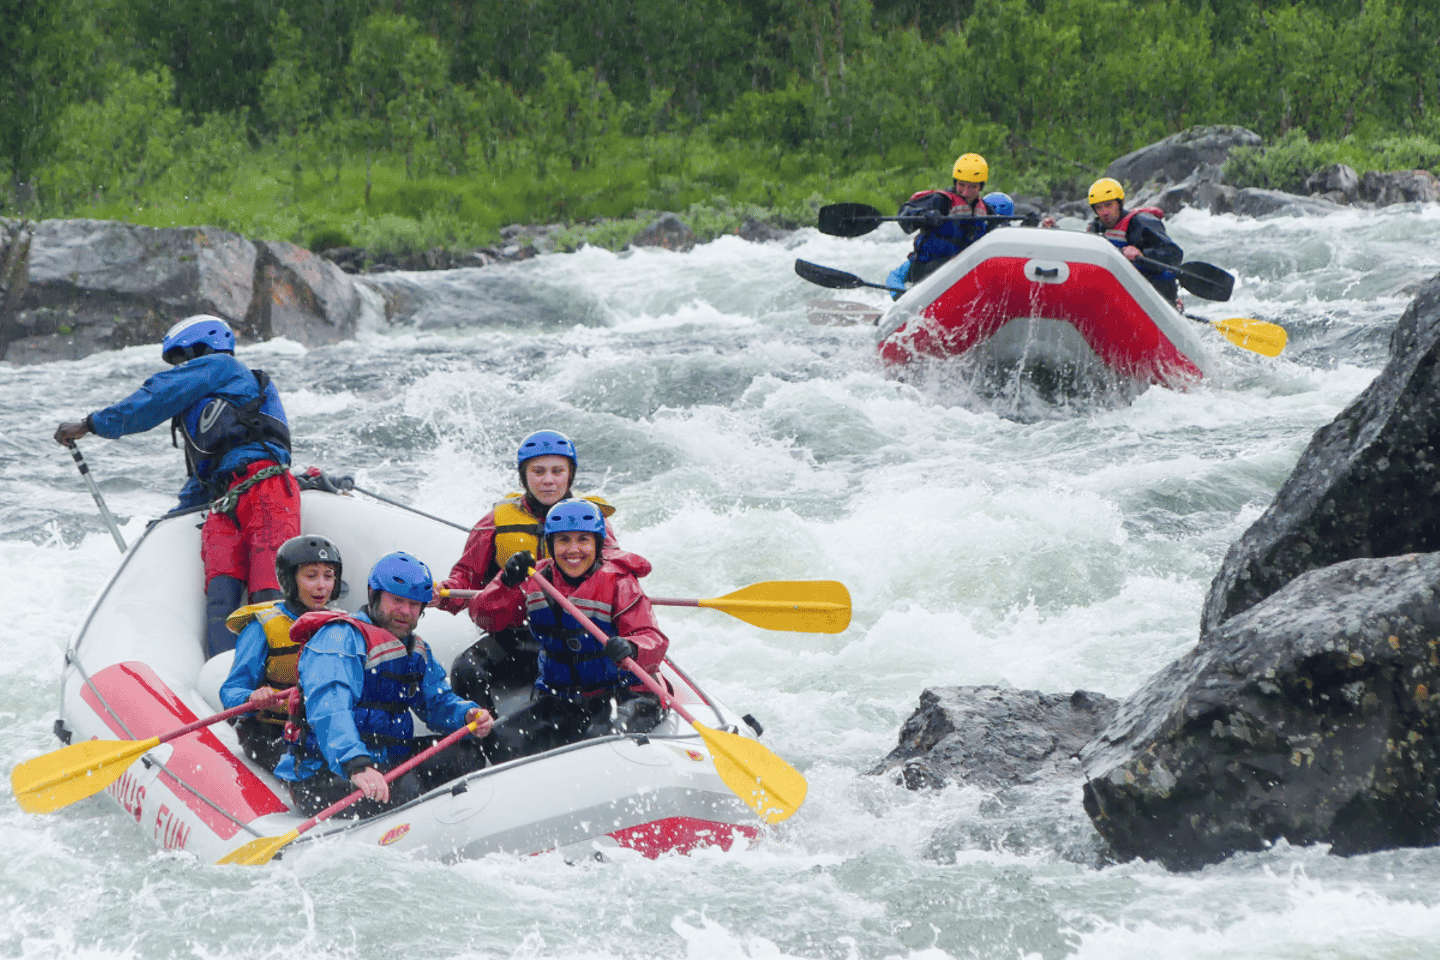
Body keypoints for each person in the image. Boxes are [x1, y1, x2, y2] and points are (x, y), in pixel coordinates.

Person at [52, 314, 299, 660]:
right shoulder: (213, 395)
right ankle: (225, 685)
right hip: (224, 500)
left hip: (264, 490)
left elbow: (157, 397)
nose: (182, 368)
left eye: (183, 359)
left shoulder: (220, 366)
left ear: (200, 346)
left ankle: (281, 686)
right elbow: (202, 478)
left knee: (266, 589)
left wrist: (91, 424)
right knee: (220, 598)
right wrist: (169, 521)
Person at [275, 551, 494, 818]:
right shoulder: (340, 638)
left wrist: (466, 714)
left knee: (466, 755)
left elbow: (437, 703)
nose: (405, 612)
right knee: (403, 788)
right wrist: (355, 764)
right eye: (397, 600)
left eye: (414, 605)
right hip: (324, 771)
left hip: (386, 757)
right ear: (373, 593)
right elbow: (330, 707)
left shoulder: (416, 649)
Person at [436, 429, 636, 711]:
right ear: (524, 476)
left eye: (557, 471)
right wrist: (442, 592)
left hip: (578, 636)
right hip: (517, 636)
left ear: (570, 474)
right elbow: (463, 581)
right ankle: (484, 740)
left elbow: (616, 574)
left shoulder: (590, 520)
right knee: (467, 670)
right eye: (538, 471)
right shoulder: (496, 521)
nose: (548, 481)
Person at [466, 498, 668, 762]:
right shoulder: (534, 577)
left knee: (604, 738)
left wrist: (632, 647)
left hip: (624, 694)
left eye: (583, 539)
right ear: (550, 546)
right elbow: (483, 616)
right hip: (561, 696)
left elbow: (654, 639)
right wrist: (505, 583)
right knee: (501, 741)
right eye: (563, 541)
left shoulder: (620, 581)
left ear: (598, 544)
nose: (573, 550)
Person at [219, 534, 343, 770]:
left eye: (329, 576)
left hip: (320, 730)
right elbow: (231, 691)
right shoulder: (261, 628)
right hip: (270, 734)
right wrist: (251, 697)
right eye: (311, 576)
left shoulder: (339, 626)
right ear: (289, 580)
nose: (321, 585)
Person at [1042, 177, 1183, 304]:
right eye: (1099, 207)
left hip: (1157, 293)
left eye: (1109, 205)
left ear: (1120, 204)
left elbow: (1175, 254)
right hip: (1123, 294)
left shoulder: (1141, 223)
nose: (1104, 212)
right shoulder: (1097, 227)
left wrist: (1143, 254)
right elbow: (1081, 250)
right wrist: (1056, 230)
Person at [886, 153, 996, 298]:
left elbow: (1001, 233)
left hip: (962, 272)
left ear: (981, 186)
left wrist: (1026, 224)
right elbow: (905, 215)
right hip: (928, 268)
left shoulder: (987, 211)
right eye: (961, 185)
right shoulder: (939, 200)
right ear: (955, 182)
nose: (965, 192)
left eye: (972, 187)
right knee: (896, 276)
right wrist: (924, 216)